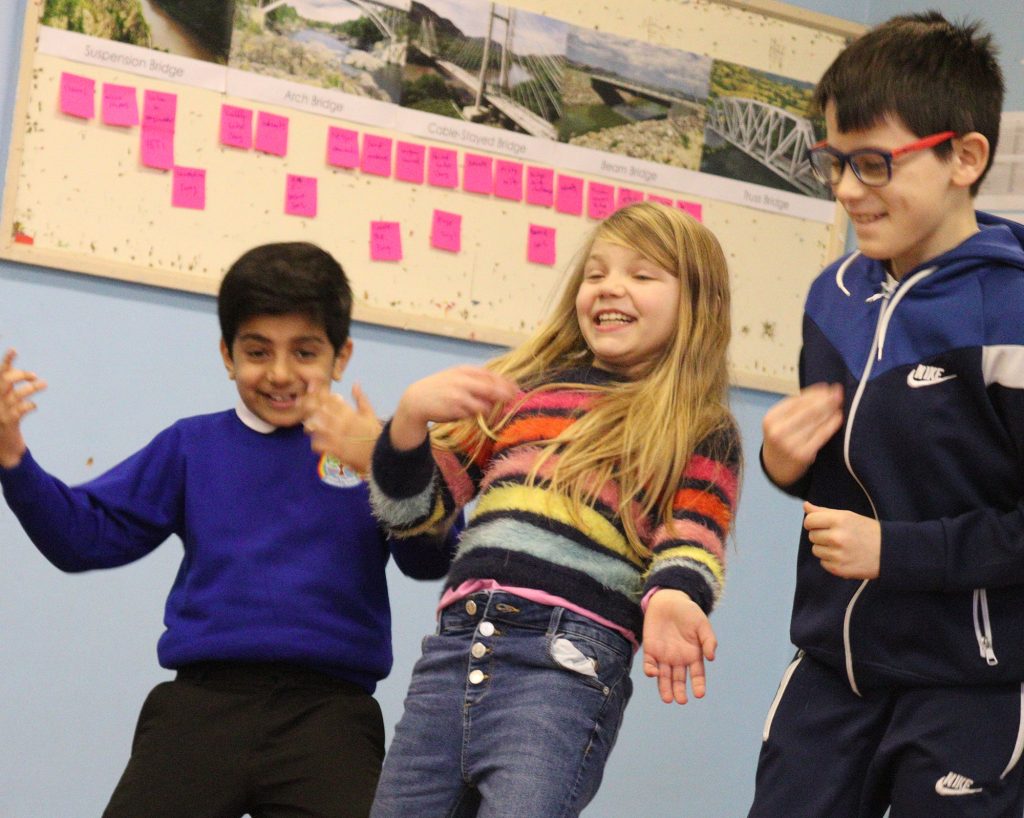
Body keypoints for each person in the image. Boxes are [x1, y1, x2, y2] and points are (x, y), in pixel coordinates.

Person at [0, 242, 458, 818]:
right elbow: (83, 537)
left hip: (331, 716)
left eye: (306, 351)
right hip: (201, 704)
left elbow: (431, 560)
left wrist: (385, 467)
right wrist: (12, 456)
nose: (281, 373)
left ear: (341, 357)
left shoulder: (382, 448)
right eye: (257, 351)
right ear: (227, 353)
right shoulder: (192, 445)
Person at [358, 201, 741, 817]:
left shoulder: (697, 424)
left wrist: (674, 596)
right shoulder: (524, 390)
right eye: (596, 273)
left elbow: (693, 538)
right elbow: (412, 513)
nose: (611, 286)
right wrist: (406, 424)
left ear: (697, 303)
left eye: (642, 275)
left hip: (562, 665)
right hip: (455, 651)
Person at [750, 12, 1024, 818]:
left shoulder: (1013, 312)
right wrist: (782, 464)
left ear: (963, 158)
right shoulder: (831, 297)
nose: (844, 191)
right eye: (833, 161)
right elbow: (842, 486)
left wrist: (896, 552)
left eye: (874, 164)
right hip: (831, 673)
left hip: (970, 687)